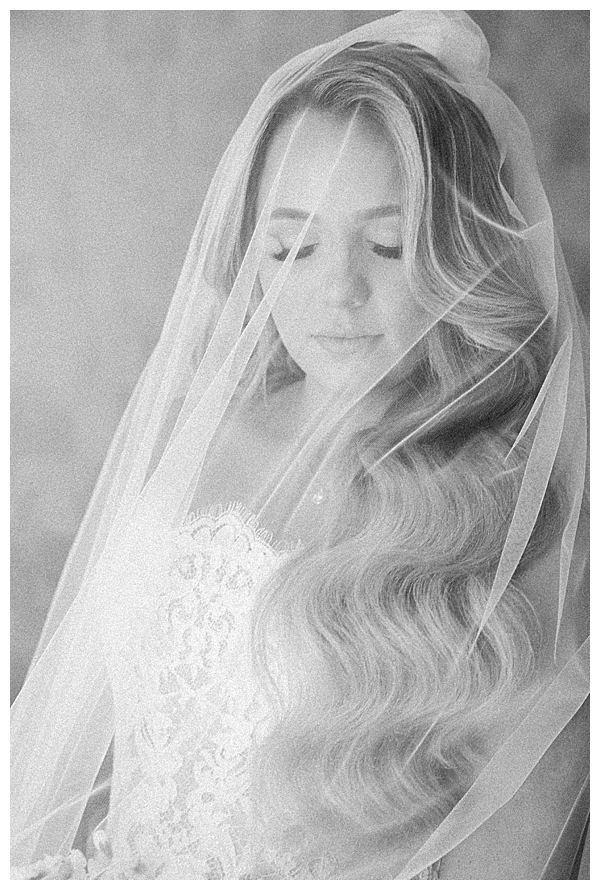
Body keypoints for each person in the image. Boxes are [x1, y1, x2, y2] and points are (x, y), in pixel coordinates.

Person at [11, 11, 589, 880]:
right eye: (294, 246)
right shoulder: (195, 433)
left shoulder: (512, 524)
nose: (337, 291)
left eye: (388, 244)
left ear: (460, 252)